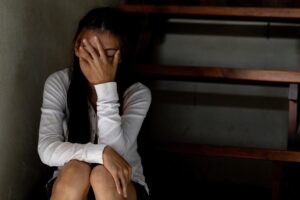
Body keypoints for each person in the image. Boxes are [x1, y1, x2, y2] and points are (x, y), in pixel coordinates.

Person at [38, 7, 151, 200]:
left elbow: (117, 154)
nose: (98, 62)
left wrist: (105, 86)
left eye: (107, 54)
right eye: (90, 52)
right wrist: (100, 152)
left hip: (120, 184)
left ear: (121, 55)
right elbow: (47, 149)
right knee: (75, 169)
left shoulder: (137, 93)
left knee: (102, 175)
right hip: (70, 183)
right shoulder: (59, 82)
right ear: (76, 48)